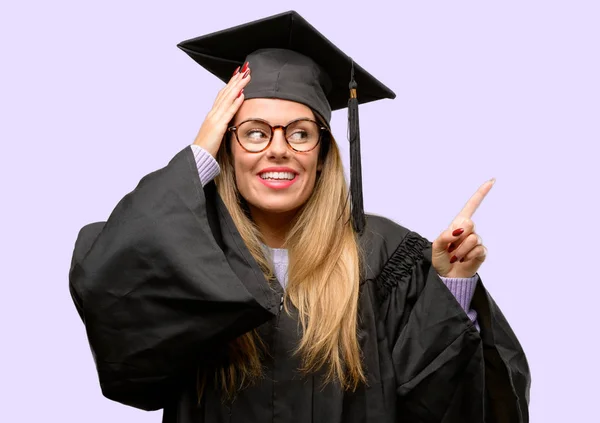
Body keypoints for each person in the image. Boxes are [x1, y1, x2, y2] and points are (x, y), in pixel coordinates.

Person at [69, 10, 530, 423]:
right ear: (227, 147)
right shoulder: (192, 248)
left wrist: (452, 285)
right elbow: (112, 302)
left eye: (300, 133)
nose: (277, 150)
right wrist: (198, 157)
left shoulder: (383, 256)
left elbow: (445, 403)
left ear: (325, 153)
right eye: (253, 133)